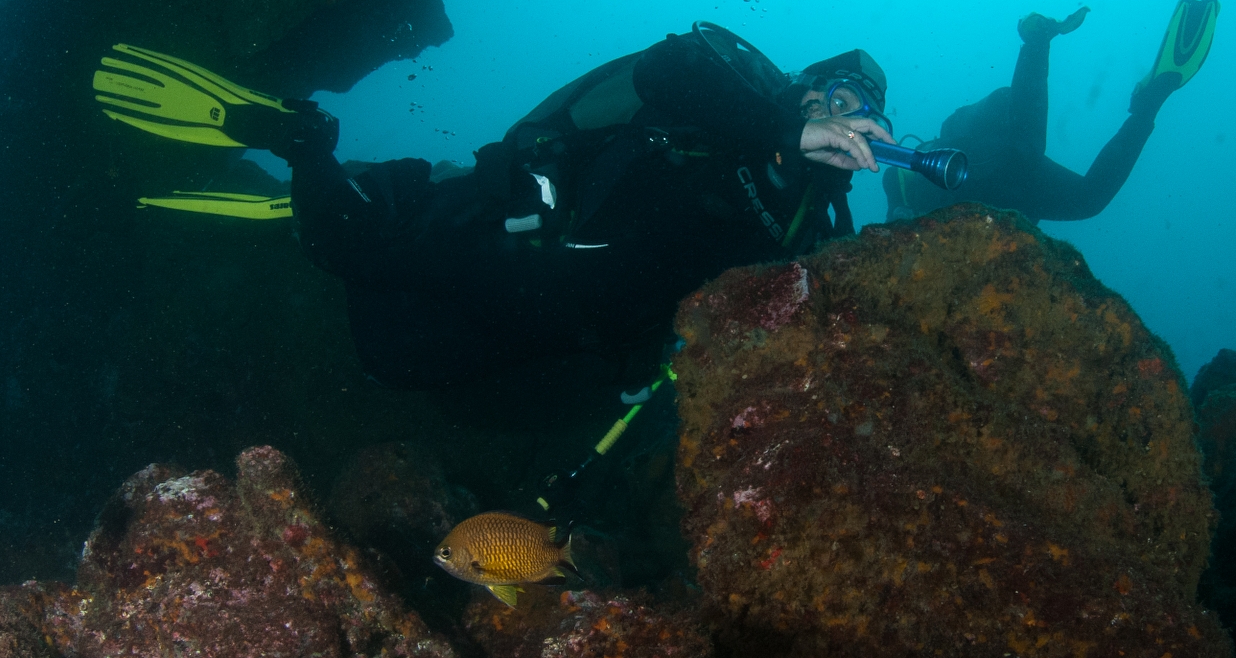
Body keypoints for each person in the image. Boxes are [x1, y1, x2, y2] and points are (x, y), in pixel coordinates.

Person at [93, 24, 894, 388]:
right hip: (515, 230)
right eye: (830, 94)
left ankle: (381, 190)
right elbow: (664, 71)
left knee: (394, 363)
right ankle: (305, 144)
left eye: (859, 111)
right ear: (799, 86)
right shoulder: (737, 85)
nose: (839, 116)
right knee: (344, 251)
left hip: (563, 324)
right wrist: (784, 131)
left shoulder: (819, 232)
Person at [882, 0, 1219, 223]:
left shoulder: (913, 180)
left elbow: (895, 183)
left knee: (1020, 139)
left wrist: (900, 211)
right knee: (1088, 200)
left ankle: (1037, 40)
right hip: (1012, 195)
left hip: (969, 164)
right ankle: (1148, 105)